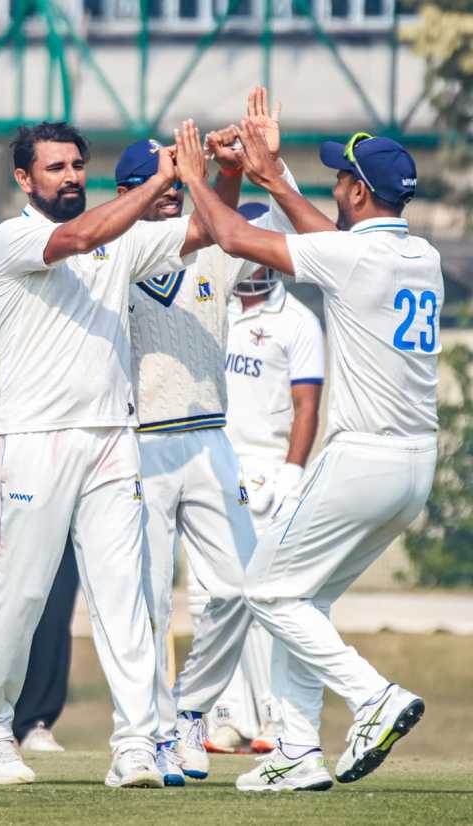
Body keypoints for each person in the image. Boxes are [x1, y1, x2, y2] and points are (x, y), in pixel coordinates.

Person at [0, 120, 224, 789]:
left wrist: (212, 170)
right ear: (25, 178)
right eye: (55, 168)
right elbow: (79, 238)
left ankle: (135, 742)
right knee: (21, 596)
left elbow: (204, 232)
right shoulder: (13, 238)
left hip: (110, 439)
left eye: (78, 166)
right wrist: (165, 177)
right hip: (33, 441)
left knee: (124, 596)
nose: (70, 177)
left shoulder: (122, 240)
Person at [172, 118, 439, 791]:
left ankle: (373, 696)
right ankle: (296, 751)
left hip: (363, 461)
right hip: (414, 468)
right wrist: (274, 178)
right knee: (303, 599)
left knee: (263, 588)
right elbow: (331, 246)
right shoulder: (421, 258)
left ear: (353, 191)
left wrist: (192, 178)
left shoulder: (351, 258)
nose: (336, 185)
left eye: (339, 177)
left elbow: (233, 238)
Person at [120, 88, 300, 784]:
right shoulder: (115, 256)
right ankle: (151, 733)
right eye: (157, 187)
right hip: (139, 443)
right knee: (145, 600)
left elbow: (218, 224)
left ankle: (190, 714)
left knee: (236, 590)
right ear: (130, 194)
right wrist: (190, 177)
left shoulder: (212, 249)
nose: (170, 199)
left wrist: (225, 165)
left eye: (174, 187)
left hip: (208, 436)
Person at [200, 224, 324, 754]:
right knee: (211, 594)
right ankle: (227, 714)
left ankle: (275, 717)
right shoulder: (213, 304)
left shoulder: (298, 320)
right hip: (212, 458)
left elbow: (306, 405)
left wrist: (292, 472)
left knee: (262, 595)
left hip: (266, 469)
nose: (248, 267)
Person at [0, 301, 79, 753]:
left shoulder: (74, 315)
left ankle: (37, 720)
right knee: (9, 592)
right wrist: (31, 409)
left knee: (58, 594)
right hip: (5, 467)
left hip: (65, 467)